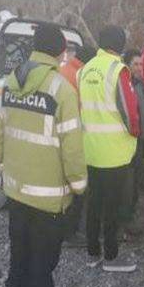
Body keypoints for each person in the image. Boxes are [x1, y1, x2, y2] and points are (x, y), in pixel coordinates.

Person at [0, 23, 86, 287]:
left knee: (18, 262)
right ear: (60, 52)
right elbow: (72, 149)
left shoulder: (11, 82)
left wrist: (5, 170)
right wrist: (79, 186)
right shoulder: (62, 90)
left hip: (16, 191)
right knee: (42, 270)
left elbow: (0, 135)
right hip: (48, 201)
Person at [78, 25, 140, 272]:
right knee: (112, 207)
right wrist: (136, 133)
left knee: (94, 204)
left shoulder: (85, 69)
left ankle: (92, 253)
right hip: (115, 153)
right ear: (120, 44)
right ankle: (112, 257)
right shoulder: (118, 70)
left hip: (91, 149)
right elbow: (130, 113)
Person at [119, 49, 144, 232]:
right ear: (127, 65)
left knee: (135, 181)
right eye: (135, 64)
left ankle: (131, 214)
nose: (139, 68)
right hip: (125, 143)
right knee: (126, 184)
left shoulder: (141, 86)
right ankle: (125, 221)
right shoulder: (122, 86)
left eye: (141, 64)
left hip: (140, 143)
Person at [60, 44, 97, 247]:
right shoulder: (79, 76)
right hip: (72, 137)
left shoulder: (63, 70)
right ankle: (70, 233)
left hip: (56, 137)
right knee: (76, 189)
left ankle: (60, 229)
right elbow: (82, 111)